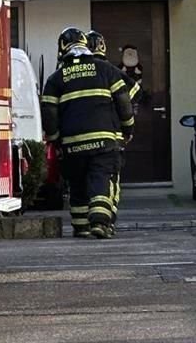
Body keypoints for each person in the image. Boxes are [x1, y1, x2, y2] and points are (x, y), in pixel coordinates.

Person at [41, 27, 135, 239]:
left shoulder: (56, 78)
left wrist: (55, 140)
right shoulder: (105, 69)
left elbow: (49, 112)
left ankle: (81, 226)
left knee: (77, 183)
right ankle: (100, 223)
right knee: (101, 178)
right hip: (104, 141)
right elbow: (124, 102)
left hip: (72, 144)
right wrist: (127, 129)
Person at [87, 30, 141, 237]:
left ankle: (90, 222)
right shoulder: (109, 70)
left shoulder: (71, 70)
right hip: (112, 135)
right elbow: (134, 92)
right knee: (110, 180)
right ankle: (107, 222)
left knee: (90, 179)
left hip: (82, 138)